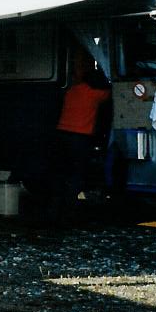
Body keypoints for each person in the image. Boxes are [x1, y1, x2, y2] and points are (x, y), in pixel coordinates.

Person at [52, 52, 111, 223]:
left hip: (61, 134)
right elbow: (110, 95)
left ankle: (55, 211)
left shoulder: (71, 91)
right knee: (76, 175)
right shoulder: (96, 94)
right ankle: (69, 212)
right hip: (80, 138)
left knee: (61, 175)